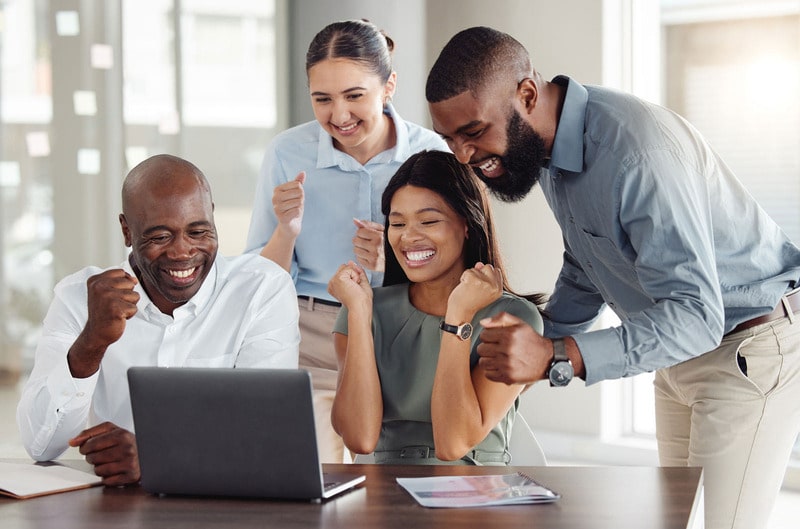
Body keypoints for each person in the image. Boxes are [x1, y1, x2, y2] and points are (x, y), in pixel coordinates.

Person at [425, 26, 800, 529]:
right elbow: (589, 262)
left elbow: (697, 314)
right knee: (677, 517)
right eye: (450, 139)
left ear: (528, 95)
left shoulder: (635, 155)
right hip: (678, 354)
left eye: (472, 132)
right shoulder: (549, 152)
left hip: (746, 348)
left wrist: (558, 356)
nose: (464, 155)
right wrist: (538, 340)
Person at [17, 154, 300, 486]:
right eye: (160, 236)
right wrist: (91, 344)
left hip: (227, 502)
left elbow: (266, 433)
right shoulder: (81, 297)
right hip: (117, 509)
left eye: (198, 231)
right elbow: (41, 445)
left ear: (213, 217)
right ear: (126, 230)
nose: (182, 252)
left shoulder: (261, 289)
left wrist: (157, 455)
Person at [245, 19, 447, 463]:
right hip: (309, 339)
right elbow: (261, 282)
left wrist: (392, 265)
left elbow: (457, 267)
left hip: (400, 335)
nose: (339, 115)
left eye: (355, 96)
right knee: (314, 479)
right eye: (323, 99)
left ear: (388, 85)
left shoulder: (432, 155)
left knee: (394, 483)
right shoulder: (287, 153)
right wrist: (286, 231)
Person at [327, 150, 544, 465]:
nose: (409, 237)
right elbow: (360, 439)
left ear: (467, 224)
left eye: (428, 221)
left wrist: (459, 315)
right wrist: (360, 314)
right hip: (384, 497)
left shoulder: (512, 319)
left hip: (475, 497)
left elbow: (453, 444)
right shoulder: (365, 309)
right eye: (398, 223)